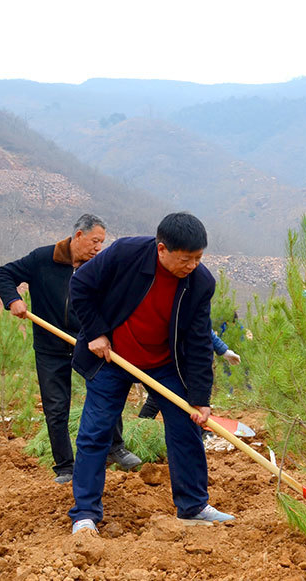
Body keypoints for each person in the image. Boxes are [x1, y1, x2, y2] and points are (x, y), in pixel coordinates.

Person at [67, 211, 234, 534]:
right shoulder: (126, 254)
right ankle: (85, 514)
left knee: (187, 428)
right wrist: (97, 332)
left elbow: (199, 343)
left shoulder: (200, 283)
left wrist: (200, 399)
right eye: (186, 259)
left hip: (163, 364)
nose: (193, 266)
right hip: (112, 358)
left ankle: (193, 506)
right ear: (161, 249)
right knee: (95, 432)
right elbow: (81, 285)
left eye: (199, 257)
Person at [0, 214, 142, 485]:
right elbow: (3, 274)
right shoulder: (43, 259)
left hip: (87, 344)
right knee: (56, 407)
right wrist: (13, 299)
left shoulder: (99, 267)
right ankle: (65, 466)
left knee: (105, 392)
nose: (98, 248)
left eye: (102, 242)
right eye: (95, 241)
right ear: (78, 236)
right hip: (49, 347)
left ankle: (114, 448)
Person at [137, 330, 240, 419]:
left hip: (185, 362)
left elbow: (203, 328)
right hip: (167, 361)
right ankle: (138, 429)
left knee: (191, 398)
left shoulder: (188, 311)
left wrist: (223, 350)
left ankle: (202, 431)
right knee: (157, 398)